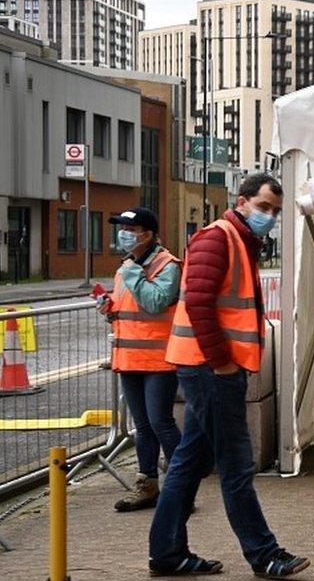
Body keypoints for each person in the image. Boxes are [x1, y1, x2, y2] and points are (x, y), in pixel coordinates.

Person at [149, 173, 309, 578]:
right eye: (263, 207)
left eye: (275, 211)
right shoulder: (218, 238)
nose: (269, 217)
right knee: (236, 464)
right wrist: (222, 362)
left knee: (189, 460)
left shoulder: (237, 240)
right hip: (210, 369)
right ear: (241, 202)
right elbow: (199, 303)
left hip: (212, 368)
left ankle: (167, 553)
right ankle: (264, 554)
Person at [97, 208, 182, 512]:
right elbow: (132, 311)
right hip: (129, 358)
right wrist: (110, 309)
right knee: (143, 426)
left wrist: (132, 270)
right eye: (120, 227)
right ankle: (147, 487)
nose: (122, 233)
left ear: (146, 234)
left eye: (129, 229)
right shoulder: (126, 267)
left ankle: (182, 488)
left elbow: (156, 302)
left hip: (159, 360)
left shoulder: (166, 265)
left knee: (161, 422)